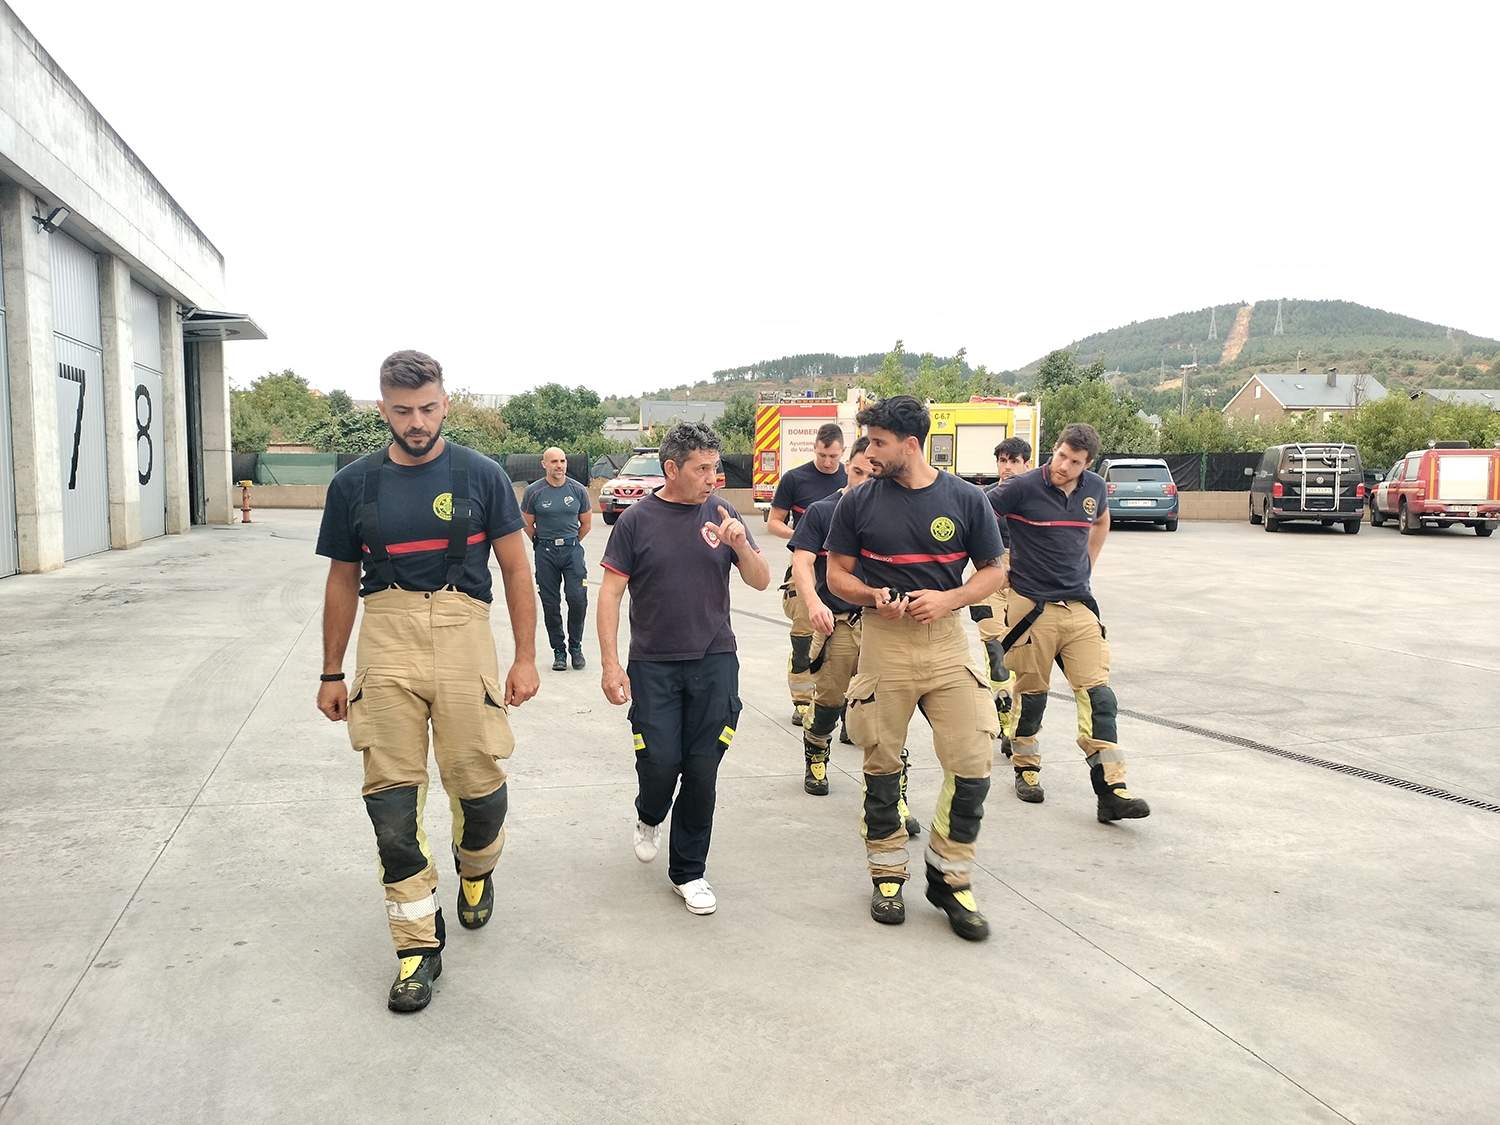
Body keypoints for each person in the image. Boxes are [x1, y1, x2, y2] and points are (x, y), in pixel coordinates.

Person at [315, 349, 539, 1013]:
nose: (417, 421)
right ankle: (416, 945)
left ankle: (476, 867)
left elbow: (516, 571)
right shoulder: (352, 484)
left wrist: (525, 656)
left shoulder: (482, 475)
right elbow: (338, 580)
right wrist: (332, 668)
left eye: (428, 407)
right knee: (389, 804)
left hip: (463, 634)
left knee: (480, 786)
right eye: (403, 410)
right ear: (382, 408)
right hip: (384, 640)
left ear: (446, 402)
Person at [825, 396, 1005, 941]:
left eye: (879, 443)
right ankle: (886, 874)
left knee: (973, 759)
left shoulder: (966, 498)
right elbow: (837, 575)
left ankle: (949, 877)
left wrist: (949, 599)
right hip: (885, 641)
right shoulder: (857, 502)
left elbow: (995, 572)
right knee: (881, 761)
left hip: (949, 644)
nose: (870, 452)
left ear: (911, 444)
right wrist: (871, 594)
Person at [597, 422, 770, 916]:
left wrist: (739, 543)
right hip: (653, 664)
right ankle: (649, 813)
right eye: (702, 468)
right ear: (671, 469)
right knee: (659, 763)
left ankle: (689, 871)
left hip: (715, 660)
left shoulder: (724, 512)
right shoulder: (637, 521)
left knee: (701, 768)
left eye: (716, 467)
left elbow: (759, 581)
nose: (713, 478)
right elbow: (609, 595)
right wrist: (611, 664)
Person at [988, 422, 1152, 825]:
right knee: (1033, 692)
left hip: (1078, 604)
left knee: (1099, 696)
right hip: (1032, 607)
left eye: (1074, 461)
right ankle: (1026, 766)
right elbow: (981, 512)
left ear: (1087, 463)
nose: (1064, 465)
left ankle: (1111, 789)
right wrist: (995, 565)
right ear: (1055, 450)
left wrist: (1089, 564)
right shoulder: (1023, 487)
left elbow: (1101, 523)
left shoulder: (1094, 488)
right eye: (1061, 455)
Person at [788, 437, 919, 838]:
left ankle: (893, 795)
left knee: (888, 714)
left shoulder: (897, 511)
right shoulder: (824, 511)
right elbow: (803, 560)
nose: (864, 480)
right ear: (847, 466)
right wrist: (812, 603)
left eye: (871, 472)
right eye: (857, 471)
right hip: (841, 621)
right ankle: (817, 750)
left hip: (885, 625)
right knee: (829, 701)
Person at [766, 424, 847, 726]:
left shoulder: (850, 479)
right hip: (806, 567)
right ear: (815, 448)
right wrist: (800, 535)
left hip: (842, 570)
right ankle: (802, 701)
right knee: (803, 640)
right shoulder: (794, 479)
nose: (828, 462)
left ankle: (843, 705)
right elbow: (774, 521)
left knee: (843, 643)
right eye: (823, 455)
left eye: (833, 456)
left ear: (843, 452)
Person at [971, 436, 1036, 800]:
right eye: (1002, 461)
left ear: (1027, 463)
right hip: (991, 576)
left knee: (1024, 659)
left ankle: (1015, 727)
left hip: (1027, 581)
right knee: (997, 655)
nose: (1007, 467)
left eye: (1014, 461)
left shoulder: (1038, 497)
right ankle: (1004, 715)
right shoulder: (986, 499)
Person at [522, 447, 593, 672]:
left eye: (562, 461)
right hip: (545, 553)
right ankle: (559, 651)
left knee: (577, 598)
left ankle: (576, 646)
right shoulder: (534, 492)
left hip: (572, 551)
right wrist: (543, 544)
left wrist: (571, 543)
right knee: (550, 604)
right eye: (553, 461)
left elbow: (587, 524)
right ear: (544, 464)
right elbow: (527, 524)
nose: (559, 465)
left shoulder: (578, 490)